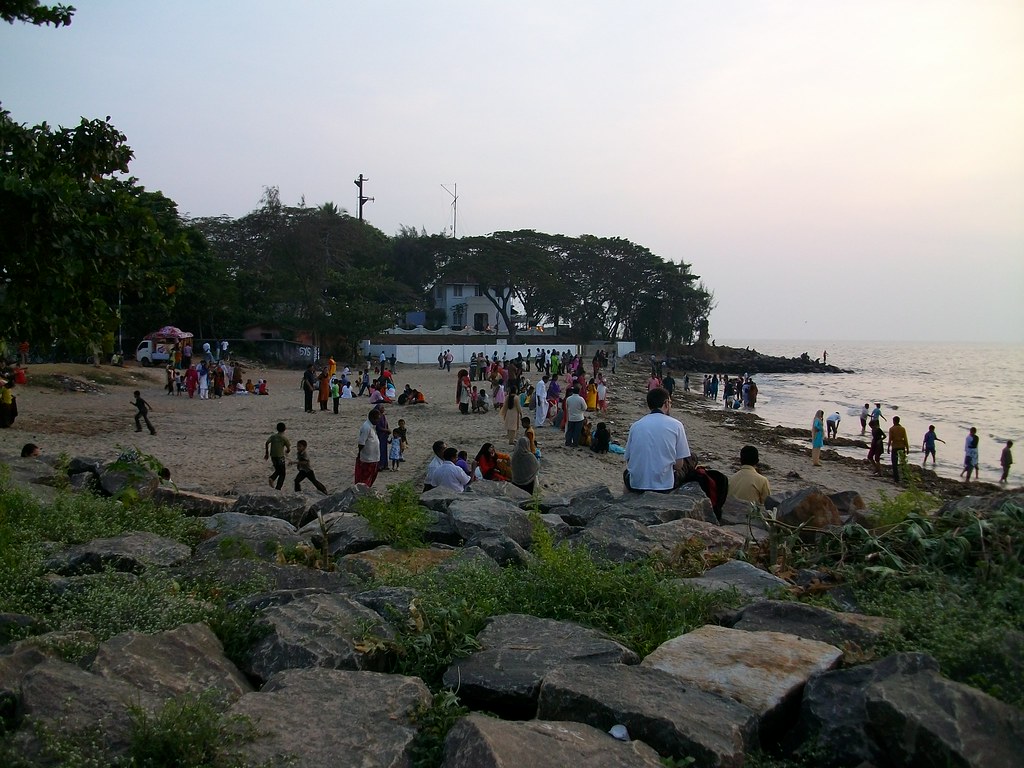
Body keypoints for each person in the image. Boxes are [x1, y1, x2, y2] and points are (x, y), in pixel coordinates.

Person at [623, 387, 692, 493]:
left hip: (636, 485)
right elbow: (679, 465)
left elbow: (629, 460)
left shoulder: (636, 425)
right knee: (691, 461)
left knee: (626, 474)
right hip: (664, 486)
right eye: (670, 402)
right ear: (666, 403)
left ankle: (627, 498)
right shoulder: (677, 425)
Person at [355, 409, 381, 487]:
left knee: (372, 476)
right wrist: (360, 454)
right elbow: (361, 443)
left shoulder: (372, 426)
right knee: (365, 479)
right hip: (367, 459)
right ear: (372, 418)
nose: (378, 421)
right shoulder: (366, 427)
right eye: (377, 419)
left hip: (374, 457)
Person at [265, 422, 291, 490]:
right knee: (283, 473)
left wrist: (267, 453)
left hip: (273, 456)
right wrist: (287, 451)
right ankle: (277, 487)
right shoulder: (284, 438)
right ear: (285, 429)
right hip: (280, 457)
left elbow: (267, 443)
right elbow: (288, 448)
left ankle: (272, 479)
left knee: (278, 470)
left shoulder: (273, 436)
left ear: (277, 429)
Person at [888, 415, 910, 482]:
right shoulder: (902, 429)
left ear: (894, 421)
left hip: (895, 446)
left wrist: (888, 447)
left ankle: (896, 478)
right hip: (902, 446)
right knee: (903, 462)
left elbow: (890, 439)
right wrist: (907, 448)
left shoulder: (891, 429)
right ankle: (905, 477)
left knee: (894, 463)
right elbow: (905, 439)